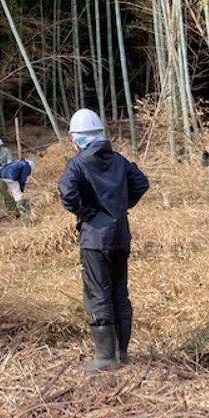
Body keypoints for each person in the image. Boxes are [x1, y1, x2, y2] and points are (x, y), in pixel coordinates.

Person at [58, 109, 149, 371]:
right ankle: (122, 353)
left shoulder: (77, 164)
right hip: (120, 235)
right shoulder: (119, 160)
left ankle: (106, 358)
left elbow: (67, 193)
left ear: (75, 138)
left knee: (98, 294)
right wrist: (120, 208)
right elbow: (141, 183)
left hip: (95, 239)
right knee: (120, 293)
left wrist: (89, 214)